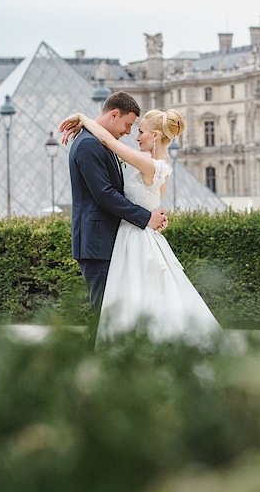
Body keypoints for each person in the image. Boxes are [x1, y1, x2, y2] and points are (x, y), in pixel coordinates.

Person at [60, 105, 224, 349]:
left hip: (132, 237)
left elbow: (106, 141)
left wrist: (83, 117)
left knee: (124, 305)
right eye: (131, 127)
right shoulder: (158, 163)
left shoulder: (152, 165)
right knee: (135, 302)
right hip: (130, 235)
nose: (133, 135)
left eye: (141, 131)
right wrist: (149, 215)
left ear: (156, 136)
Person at [66, 92, 168, 345]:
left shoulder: (97, 141)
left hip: (105, 240)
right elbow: (104, 195)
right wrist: (146, 217)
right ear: (114, 114)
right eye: (128, 124)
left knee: (110, 315)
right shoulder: (90, 144)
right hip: (97, 243)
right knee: (105, 316)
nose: (128, 131)